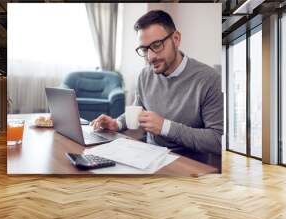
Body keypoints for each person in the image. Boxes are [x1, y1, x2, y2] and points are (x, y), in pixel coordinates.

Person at [90, 10, 223, 169]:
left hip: (188, 166)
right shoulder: (145, 75)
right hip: (148, 159)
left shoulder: (209, 79)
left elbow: (217, 140)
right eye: (145, 49)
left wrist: (166, 127)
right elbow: (138, 111)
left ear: (176, 39)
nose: (150, 57)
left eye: (156, 45)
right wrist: (116, 124)